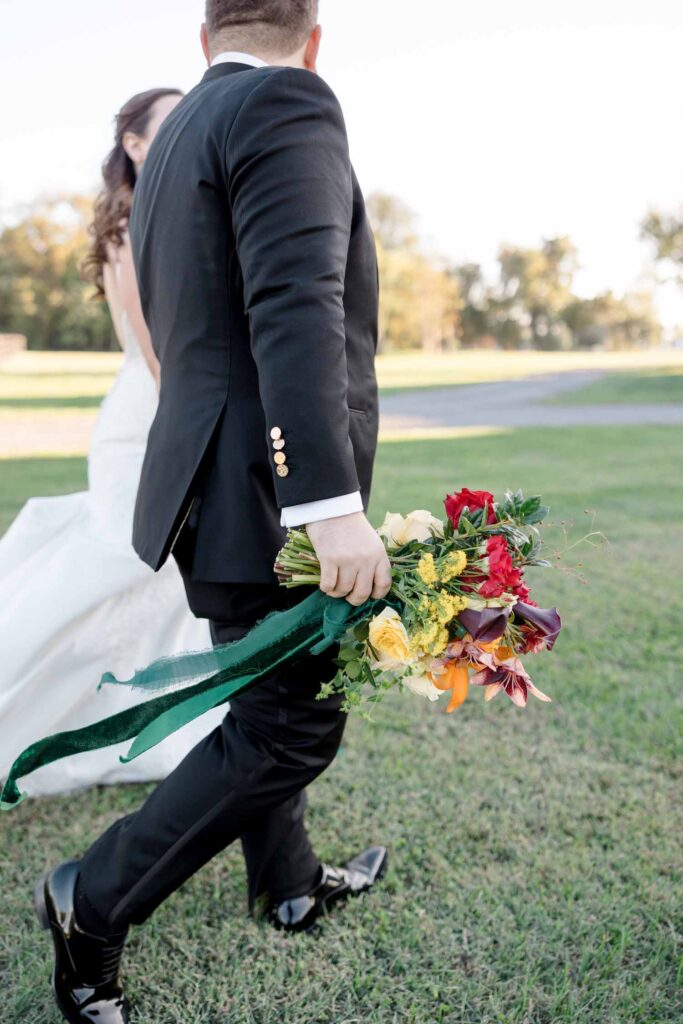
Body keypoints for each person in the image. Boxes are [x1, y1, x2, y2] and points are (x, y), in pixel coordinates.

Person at [33, 3, 393, 1020]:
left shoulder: (184, 121)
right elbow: (292, 306)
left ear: (206, 36)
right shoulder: (288, 99)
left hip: (202, 476)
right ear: (312, 35)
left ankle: (286, 884)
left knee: (266, 703)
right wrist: (326, 504)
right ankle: (89, 901)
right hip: (262, 492)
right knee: (291, 729)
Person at [0, 88, 225, 798]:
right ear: (133, 142)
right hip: (148, 419)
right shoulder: (132, 223)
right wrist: (195, 430)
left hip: (160, 409)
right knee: (116, 566)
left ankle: (129, 714)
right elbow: (159, 347)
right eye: (173, 117)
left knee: (160, 585)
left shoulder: (175, 207)